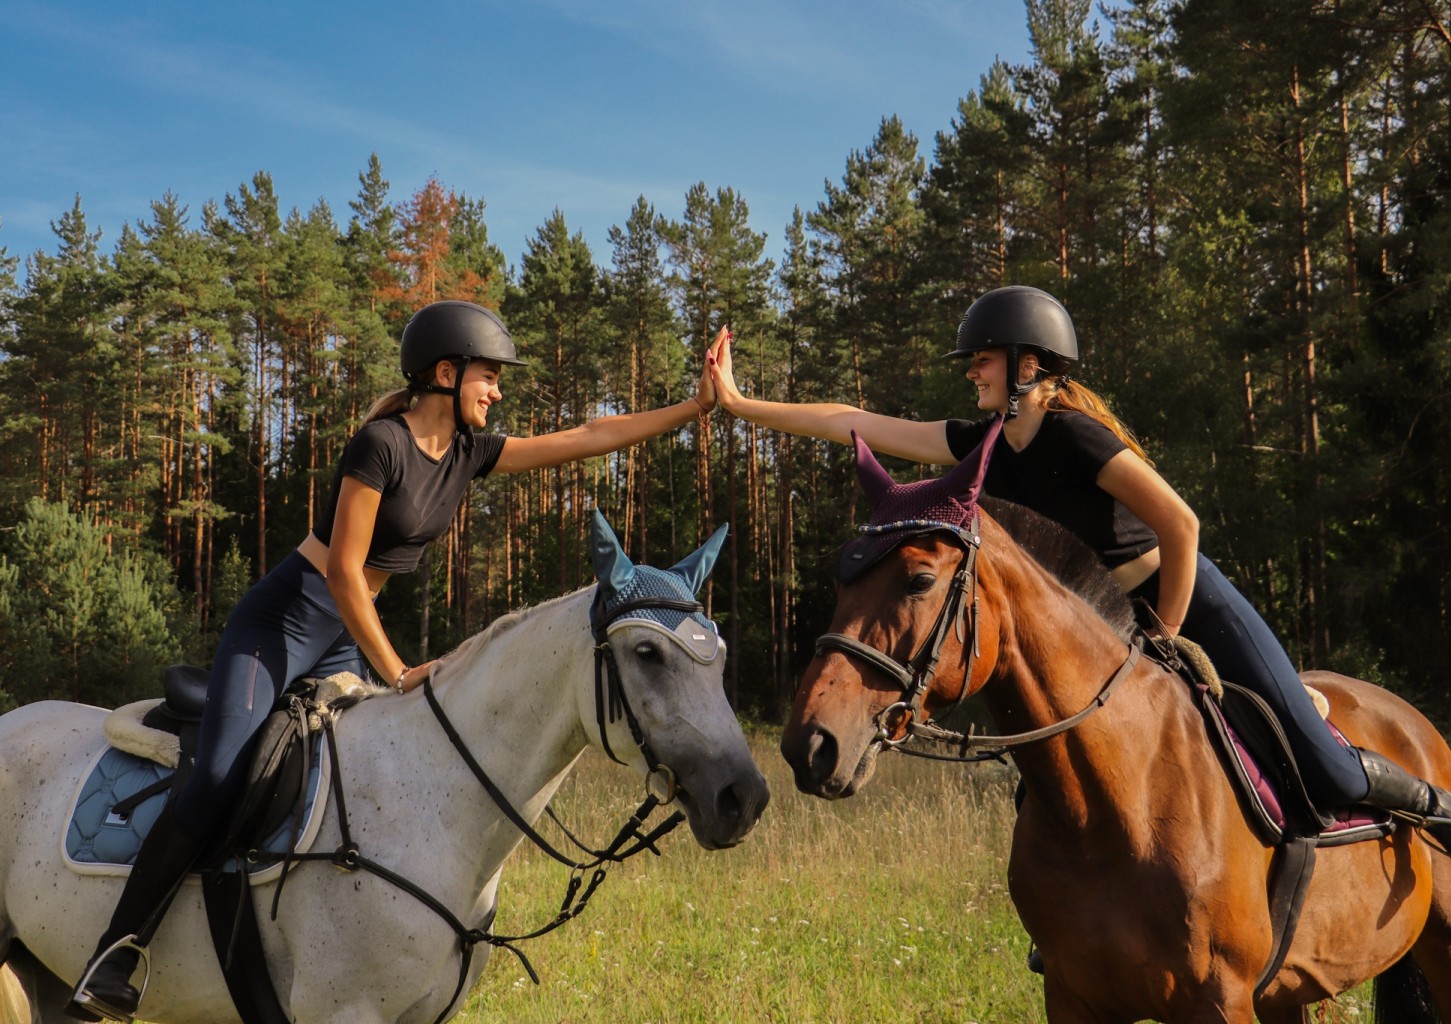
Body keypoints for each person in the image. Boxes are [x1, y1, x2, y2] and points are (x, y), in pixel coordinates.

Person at [68, 300, 723, 1022]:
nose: (496, 391)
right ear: (445, 373)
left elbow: (592, 434)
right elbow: (344, 573)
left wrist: (692, 406)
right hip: (284, 621)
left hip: (346, 630)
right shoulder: (379, 444)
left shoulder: (470, 454)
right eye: (488, 376)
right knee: (220, 776)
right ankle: (115, 952)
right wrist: (400, 670)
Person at [708, 284, 1451, 841]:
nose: (972, 374)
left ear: (1028, 364)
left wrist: (1162, 632)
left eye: (983, 361)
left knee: (1322, 769)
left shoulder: (1077, 437)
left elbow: (1180, 525)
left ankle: (1432, 809)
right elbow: (855, 421)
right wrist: (742, 405)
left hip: (1181, 601)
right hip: (1101, 625)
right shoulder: (985, 445)